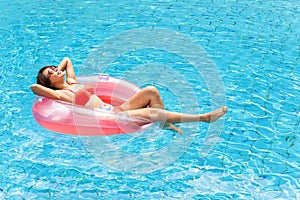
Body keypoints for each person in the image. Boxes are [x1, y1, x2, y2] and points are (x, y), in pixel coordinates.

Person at [31, 57, 227, 134]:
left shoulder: (72, 81)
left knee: (151, 91)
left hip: (115, 110)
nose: (56, 70)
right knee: (153, 114)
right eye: (51, 73)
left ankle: (165, 123)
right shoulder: (63, 95)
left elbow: (66, 60)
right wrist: (46, 81)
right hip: (109, 117)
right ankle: (204, 118)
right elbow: (35, 88)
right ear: (49, 83)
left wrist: (56, 70)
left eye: (55, 68)